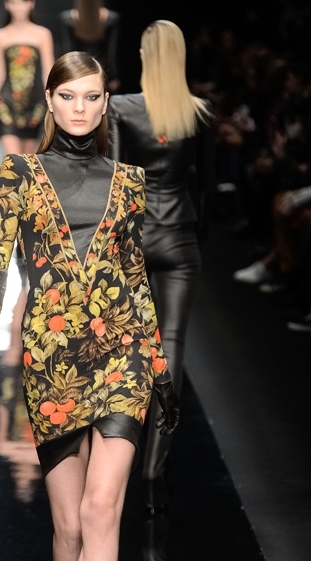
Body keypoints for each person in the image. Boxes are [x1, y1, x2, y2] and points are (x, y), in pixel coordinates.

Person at [0, 51, 181, 561]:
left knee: (99, 510)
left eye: (92, 97)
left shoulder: (129, 180)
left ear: (104, 102)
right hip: (53, 361)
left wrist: (157, 367)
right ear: (51, 103)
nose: (81, 109)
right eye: (70, 97)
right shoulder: (20, 175)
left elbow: (135, 278)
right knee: (65, 528)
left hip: (121, 357)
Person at [108, 20, 214, 514]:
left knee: (127, 350)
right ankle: (154, 467)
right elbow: (206, 188)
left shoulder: (121, 108)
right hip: (180, 237)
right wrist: (195, 237)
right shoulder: (199, 112)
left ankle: (119, 461)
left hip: (133, 238)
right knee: (171, 349)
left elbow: (113, 180)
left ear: (145, 56)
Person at [0, 0, 54, 155]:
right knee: (13, 160)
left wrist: (52, 100)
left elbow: (48, 71)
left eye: (23, 3)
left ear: (31, 4)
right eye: (14, 3)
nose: (19, 8)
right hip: (7, 101)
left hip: (35, 103)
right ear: (7, 5)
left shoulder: (43, 34)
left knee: (27, 161)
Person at [59, 1, 120, 92]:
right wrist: (113, 77)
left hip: (78, 71)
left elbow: (68, 51)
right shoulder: (111, 18)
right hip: (102, 72)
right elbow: (111, 54)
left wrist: (67, 76)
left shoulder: (67, 18)